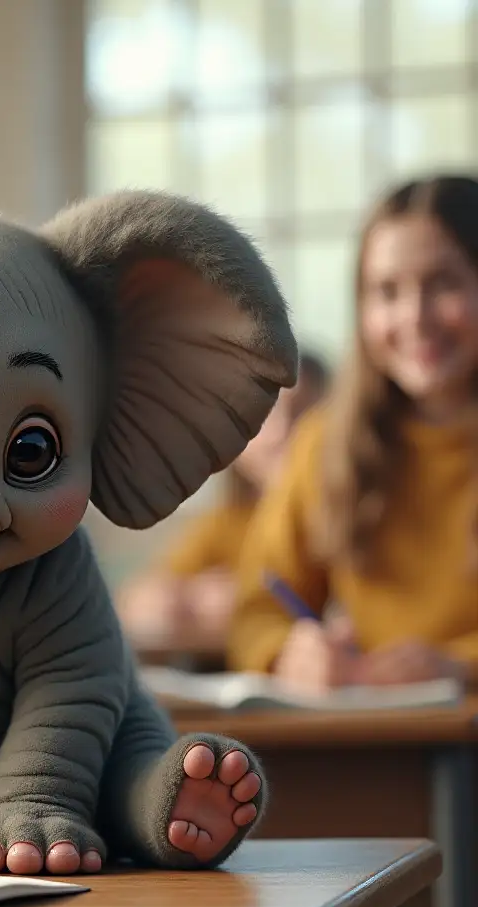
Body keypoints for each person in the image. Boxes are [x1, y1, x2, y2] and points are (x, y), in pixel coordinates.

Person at [229, 174, 478, 691]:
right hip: (376, 745)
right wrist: (288, 656)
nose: (414, 316)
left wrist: (460, 667)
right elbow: (256, 610)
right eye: (387, 291)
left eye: (444, 283)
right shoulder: (325, 444)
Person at [115, 352, 330, 660]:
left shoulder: (346, 519)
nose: (282, 429)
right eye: (264, 414)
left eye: (299, 412)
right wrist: (189, 602)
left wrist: (242, 600)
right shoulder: (225, 522)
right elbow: (138, 602)